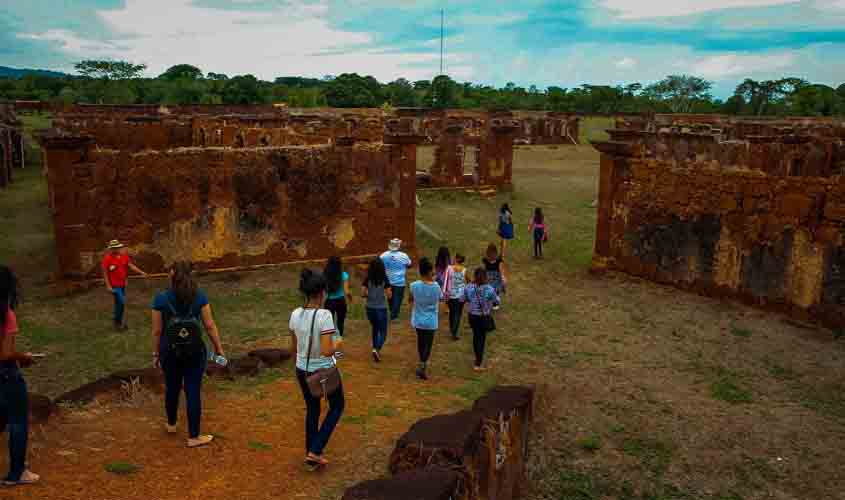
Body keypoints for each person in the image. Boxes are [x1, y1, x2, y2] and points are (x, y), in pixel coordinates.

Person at [151, 262, 224, 448]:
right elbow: (209, 325)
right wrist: (218, 348)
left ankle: (171, 424)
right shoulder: (199, 296)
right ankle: (194, 436)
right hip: (195, 351)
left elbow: (157, 331)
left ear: (172, 275)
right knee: (192, 390)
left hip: (170, 351)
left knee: (172, 387)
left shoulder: (161, 299)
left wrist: (155, 353)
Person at [290, 269, 345, 470]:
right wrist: (338, 343)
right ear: (322, 293)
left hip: (302, 370)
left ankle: (311, 454)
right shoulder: (325, 315)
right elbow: (326, 350)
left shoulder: (295, 314)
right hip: (323, 371)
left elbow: (294, 348)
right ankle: (316, 449)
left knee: (312, 409)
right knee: (337, 406)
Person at [0, 266, 39, 486]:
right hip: (6, 374)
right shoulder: (7, 314)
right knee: (18, 423)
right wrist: (24, 357)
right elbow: (4, 353)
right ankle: (16, 473)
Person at [409, 258, 442, 380]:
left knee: (421, 342)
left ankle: (421, 362)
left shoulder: (413, 285)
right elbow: (441, 299)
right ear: (429, 272)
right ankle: (423, 364)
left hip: (418, 319)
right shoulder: (436, 287)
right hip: (431, 320)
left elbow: (410, 299)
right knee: (428, 344)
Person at [102, 240, 147, 331]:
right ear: (111, 249)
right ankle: (117, 322)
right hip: (114, 286)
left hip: (122, 284)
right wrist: (108, 286)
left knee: (119, 304)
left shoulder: (124, 256)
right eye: (114, 248)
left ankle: (118, 323)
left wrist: (141, 272)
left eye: (118, 247)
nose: (117, 249)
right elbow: (105, 273)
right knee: (121, 302)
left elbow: (130, 266)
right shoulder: (107, 259)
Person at [464, 268, 500, 371]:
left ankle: (477, 359)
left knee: (476, 336)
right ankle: (478, 363)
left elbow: (463, 298)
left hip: (472, 316)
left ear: (475, 276)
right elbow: (497, 301)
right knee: (481, 339)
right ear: (485, 277)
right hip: (483, 317)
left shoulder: (469, 287)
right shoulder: (489, 289)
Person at [361, 258, 392, 362]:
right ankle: (376, 349)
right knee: (383, 331)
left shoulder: (368, 278)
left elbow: (363, 293)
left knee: (375, 328)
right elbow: (389, 295)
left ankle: (375, 348)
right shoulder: (384, 278)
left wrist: (370, 295)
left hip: (369, 308)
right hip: (381, 308)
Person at [380, 238, 412, 321]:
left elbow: (379, 264)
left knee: (390, 298)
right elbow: (409, 264)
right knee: (398, 298)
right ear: (399, 246)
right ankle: (394, 316)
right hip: (400, 281)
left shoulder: (383, 255)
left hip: (388, 280)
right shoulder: (403, 255)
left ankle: (392, 312)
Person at [324, 256, 351, 337]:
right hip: (340, 301)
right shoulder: (344, 275)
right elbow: (346, 291)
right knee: (340, 321)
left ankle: (330, 338)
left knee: (329, 322)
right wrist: (350, 297)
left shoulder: (325, 275)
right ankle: (339, 338)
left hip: (329, 301)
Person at [443, 253, 468, 340]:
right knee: (458, 313)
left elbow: (445, 281)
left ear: (456, 259)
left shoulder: (449, 268)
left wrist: (444, 293)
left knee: (452, 313)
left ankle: (452, 329)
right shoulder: (464, 270)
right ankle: (454, 331)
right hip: (461, 295)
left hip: (451, 295)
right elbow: (467, 281)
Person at [483, 243, 508, 309]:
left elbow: (501, 269)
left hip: (496, 278)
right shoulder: (485, 260)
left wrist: (502, 277)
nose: (491, 256)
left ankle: (495, 303)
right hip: (489, 278)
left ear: (495, 253)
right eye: (489, 254)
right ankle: (490, 302)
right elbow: (485, 269)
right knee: (489, 290)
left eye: (492, 253)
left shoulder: (498, 261)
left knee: (496, 290)